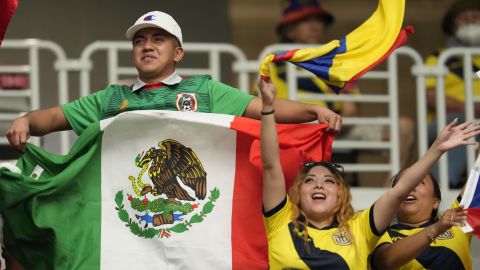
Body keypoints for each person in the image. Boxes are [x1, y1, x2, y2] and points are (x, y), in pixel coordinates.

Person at [5, 10, 342, 153]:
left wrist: (314, 109)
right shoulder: (111, 98)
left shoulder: (205, 91)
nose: (147, 45)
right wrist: (24, 120)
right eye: (140, 41)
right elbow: (51, 119)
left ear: (178, 53)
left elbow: (265, 109)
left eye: (158, 39)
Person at [258, 76, 480, 269]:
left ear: (340, 196)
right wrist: (268, 109)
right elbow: (270, 166)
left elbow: (399, 190)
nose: (318, 184)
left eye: (328, 181)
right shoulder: (281, 221)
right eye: (309, 180)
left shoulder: (359, 228)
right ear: (298, 194)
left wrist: (437, 149)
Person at [272, 0, 416, 178]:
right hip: (303, 131)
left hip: (340, 125)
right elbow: (280, 109)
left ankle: (391, 194)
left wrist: (338, 112)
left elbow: (351, 109)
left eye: (318, 20)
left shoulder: (337, 58)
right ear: (288, 29)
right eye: (305, 20)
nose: (314, 26)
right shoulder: (275, 61)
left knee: (404, 127)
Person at [426, 0, 480, 188]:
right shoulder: (439, 57)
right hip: (449, 120)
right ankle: (443, 187)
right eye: (463, 19)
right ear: (453, 26)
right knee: (462, 125)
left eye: (475, 18)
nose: (470, 22)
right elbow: (430, 95)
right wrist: (469, 108)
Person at [370, 171, 472, 269]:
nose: (410, 187)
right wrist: (436, 229)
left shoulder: (454, 221)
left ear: (435, 202)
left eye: (419, 182)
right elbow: (385, 261)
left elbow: (475, 182)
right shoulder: (380, 234)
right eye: (404, 183)